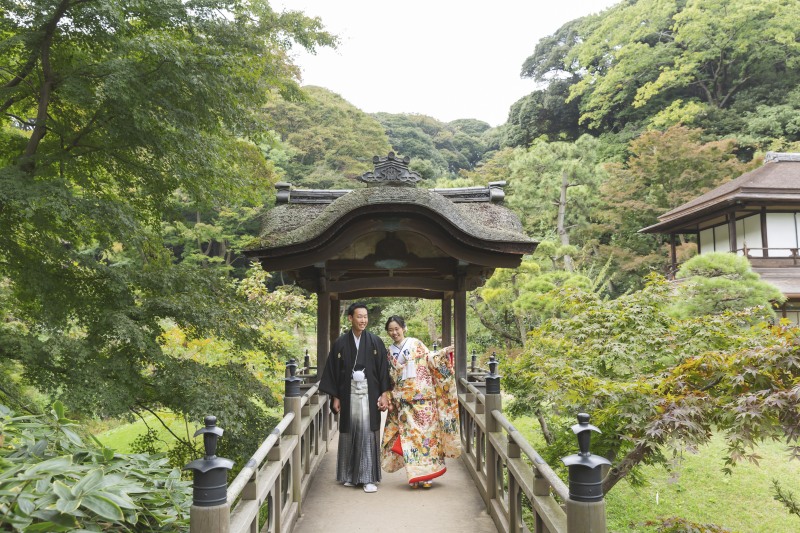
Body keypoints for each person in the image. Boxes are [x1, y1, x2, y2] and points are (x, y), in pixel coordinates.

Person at [319, 302, 392, 493]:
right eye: (359, 316)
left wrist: (384, 394)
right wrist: (335, 396)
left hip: (370, 394)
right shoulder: (341, 343)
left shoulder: (375, 341)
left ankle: (368, 478)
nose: (363, 320)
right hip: (348, 393)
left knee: (367, 433)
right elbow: (333, 372)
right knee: (350, 432)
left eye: (365, 316)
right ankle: (350, 475)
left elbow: (383, 371)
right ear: (350, 318)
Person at [381, 315, 460, 488]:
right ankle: (415, 475)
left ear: (404, 328)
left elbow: (430, 359)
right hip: (403, 401)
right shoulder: (388, 351)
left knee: (427, 437)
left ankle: (428, 475)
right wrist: (388, 395)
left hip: (424, 399)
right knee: (411, 440)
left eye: (397, 328)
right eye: (391, 330)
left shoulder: (415, 344)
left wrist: (442, 354)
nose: (394, 332)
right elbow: (388, 376)